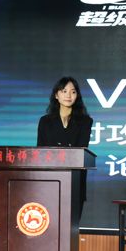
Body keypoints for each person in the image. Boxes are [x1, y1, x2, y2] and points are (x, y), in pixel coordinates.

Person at [37, 76, 93, 218]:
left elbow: (80, 151)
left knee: (71, 223)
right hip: (49, 179)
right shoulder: (45, 121)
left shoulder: (85, 121)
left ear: (77, 96)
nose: (68, 95)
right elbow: (40, 152)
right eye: (64, 91)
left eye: (73, 92)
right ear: (56, 95)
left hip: (74, 180)